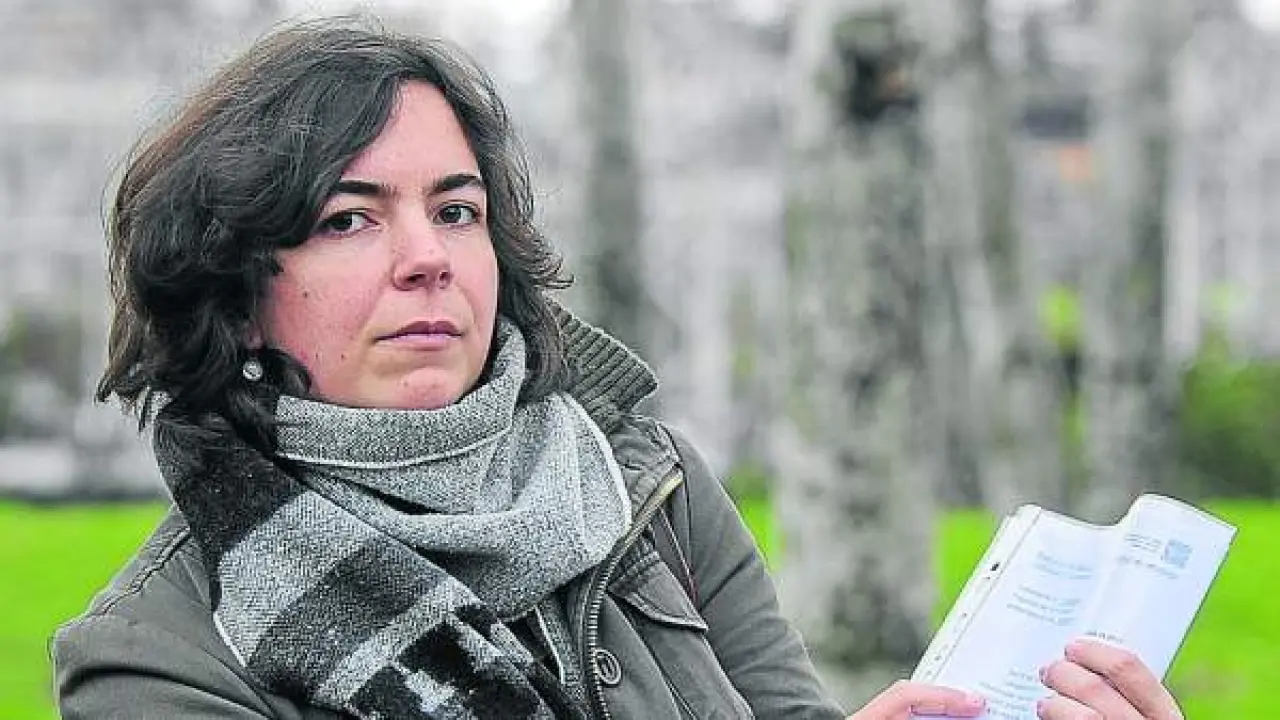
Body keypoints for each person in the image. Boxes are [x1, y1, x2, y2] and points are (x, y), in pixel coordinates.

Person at [52, 17, 1186, 720]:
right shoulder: (157, 658)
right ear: (236, 289)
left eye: (456, 210)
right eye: (349, 220)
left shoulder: (644, 478)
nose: (426, 259)